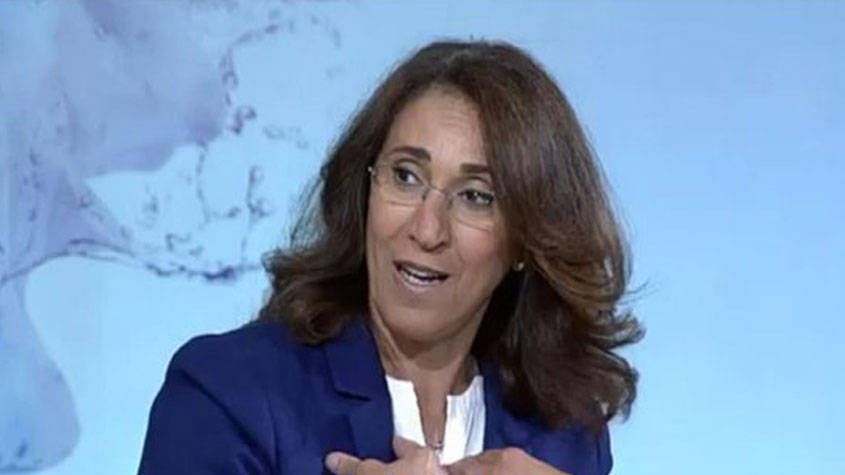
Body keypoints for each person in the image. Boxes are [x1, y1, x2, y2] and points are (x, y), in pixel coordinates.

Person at [138, 39, 643, 475]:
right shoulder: (230, 392)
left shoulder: (569, 436)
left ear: (527, 240)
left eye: (476, 196)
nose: (427, 229)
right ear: (365, 189)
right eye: (405, 176)